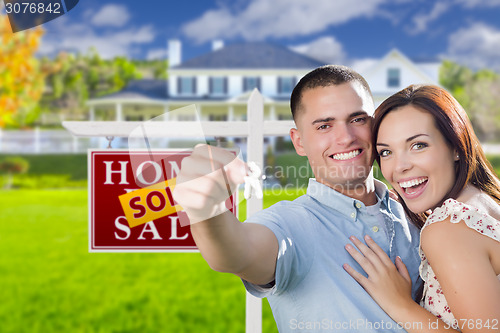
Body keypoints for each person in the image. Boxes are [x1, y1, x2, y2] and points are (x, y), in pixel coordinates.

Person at [174, 65, 423, 332]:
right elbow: (236, 253)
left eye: (358, 119)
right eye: (324, 126)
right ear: (299, 142)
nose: (346, 138)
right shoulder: (290, 223)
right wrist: (208, 212)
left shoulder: (414, 210)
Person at [343, 84, 500, 332]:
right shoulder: (485, 202)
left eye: (418, 145)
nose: (400, 167)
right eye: (386, 152)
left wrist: (401, 305)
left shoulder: (448, 229)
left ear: (456, 147)